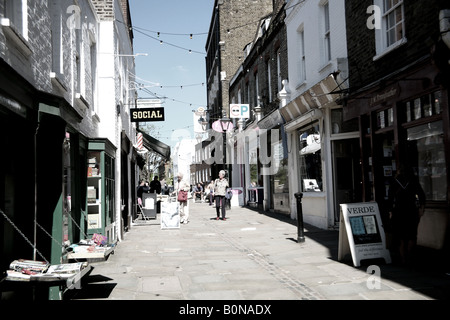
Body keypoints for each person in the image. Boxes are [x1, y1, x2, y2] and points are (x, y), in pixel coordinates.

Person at [387, 164, 426, 266]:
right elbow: (421, 195)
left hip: (399, 211)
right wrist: (421, 207)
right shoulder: (413, 180)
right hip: (411, 210)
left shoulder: (395, 181)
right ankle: (410, 256)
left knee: (401, 236)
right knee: (412, 235)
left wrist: (390, 211)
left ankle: (403, 258)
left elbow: (390, 198)